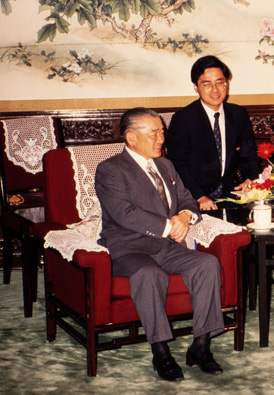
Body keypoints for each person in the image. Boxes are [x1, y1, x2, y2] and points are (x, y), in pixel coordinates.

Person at [95, 108, 225, 381]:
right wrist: (170, 226)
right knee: (148, 273)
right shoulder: (110, 169)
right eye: (154, 132)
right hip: (129, 247)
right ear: (131, 137)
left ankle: (201, 346)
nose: (161, 139)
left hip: (166, 247)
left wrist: (184, 216)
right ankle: (161, 352)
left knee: (207, 264)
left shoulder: (165, 165)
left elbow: (189, 201)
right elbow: (124, 213)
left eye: (162, 132)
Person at [167, 55, 261, 211]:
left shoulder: (238, 114)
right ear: (196, 87)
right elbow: (178, 165)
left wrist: (250, 179)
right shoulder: (183, 119)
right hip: (194, 197)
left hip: (231, 194)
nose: (215, 89)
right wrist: (198, 197)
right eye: (207, 84)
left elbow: (248, 155)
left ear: (226, 84)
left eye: (220, 82)